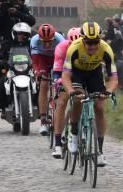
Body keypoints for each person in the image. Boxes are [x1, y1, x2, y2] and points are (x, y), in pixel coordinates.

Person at [61, 22, 119, 166]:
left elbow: (113, 78)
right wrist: (71, 92)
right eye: (89, 43)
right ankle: (73, 133)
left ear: (100, 40)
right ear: (82, 40)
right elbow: (66, 76)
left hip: (94, 73)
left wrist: (108, 91)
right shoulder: (74, 48)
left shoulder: (106, 50)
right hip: (77, 73)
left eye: (95, 42)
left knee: (99, 107)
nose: (92, 46)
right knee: (78, 99)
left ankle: (99, 151)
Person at [0, 0, 35, 112]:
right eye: (17, 0)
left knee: (35, 75)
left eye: (21, 0)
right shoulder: (2, 11)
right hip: (7, 46)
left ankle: (36, 102)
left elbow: (32, 21)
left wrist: (17, 13)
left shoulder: (24, 9)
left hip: (24, 46)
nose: (19, 2)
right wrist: (0, 13)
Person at [50, 27, 81, 158]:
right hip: (64, 73)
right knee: (61, 103)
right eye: (71, 43)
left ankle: (81, 126)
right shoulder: (61, 47)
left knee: (82, 98)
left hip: (80, 74)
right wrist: (57, 80)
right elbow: (57, 70)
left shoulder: (86, 47)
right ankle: (57, 144)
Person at [30, 23, 65, 136]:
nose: (47, 44)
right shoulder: (34, 40)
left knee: (59, 83)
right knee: (44, 85)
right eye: (44, 41)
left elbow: (64, 59)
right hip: (42, 59)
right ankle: (43, 121)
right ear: (39, 38)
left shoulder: (60, 39)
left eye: (50, 41)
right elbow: (35, 62)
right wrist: (37, 72)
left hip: (56, 58)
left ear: (54, 37)